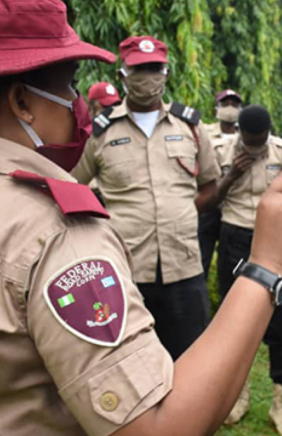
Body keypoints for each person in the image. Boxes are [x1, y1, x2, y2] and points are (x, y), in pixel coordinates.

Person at [0, 0, 282, 436]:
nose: (78, 104)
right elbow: (155, 427)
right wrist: (266, 266)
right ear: (22, 102)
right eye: (68, 85)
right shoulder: (56, 232)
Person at [72, 36, 225, 360]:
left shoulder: (190, 127)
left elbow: (210, 186)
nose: (148, 77)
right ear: (123, 74)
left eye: (155, 68)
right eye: (139, 69)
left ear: (166, 72)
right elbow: (72, 187)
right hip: (125, 272)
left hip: (184, 268)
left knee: (190, 358)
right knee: (129, 360)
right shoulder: (100, 133)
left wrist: (183, 211)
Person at [216, 105, 282, 436]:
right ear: (239, 133)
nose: (255, 146)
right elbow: (208, 199)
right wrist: (232, 174)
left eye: (260, 140)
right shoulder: (220, 149)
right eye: (249, 140)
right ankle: (237, 397)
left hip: (272, 241)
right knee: (233, 324)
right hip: (234, 238)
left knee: (278, 325)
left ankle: (279, 403)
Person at [198, 89, 243, 278]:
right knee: (201, 257)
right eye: (225, 104)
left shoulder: (246, 134)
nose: (230, 108)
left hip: (234, 207)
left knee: (230, 263)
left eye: (234, 104)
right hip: (209, 204)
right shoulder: (203, 132)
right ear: (216, 108)